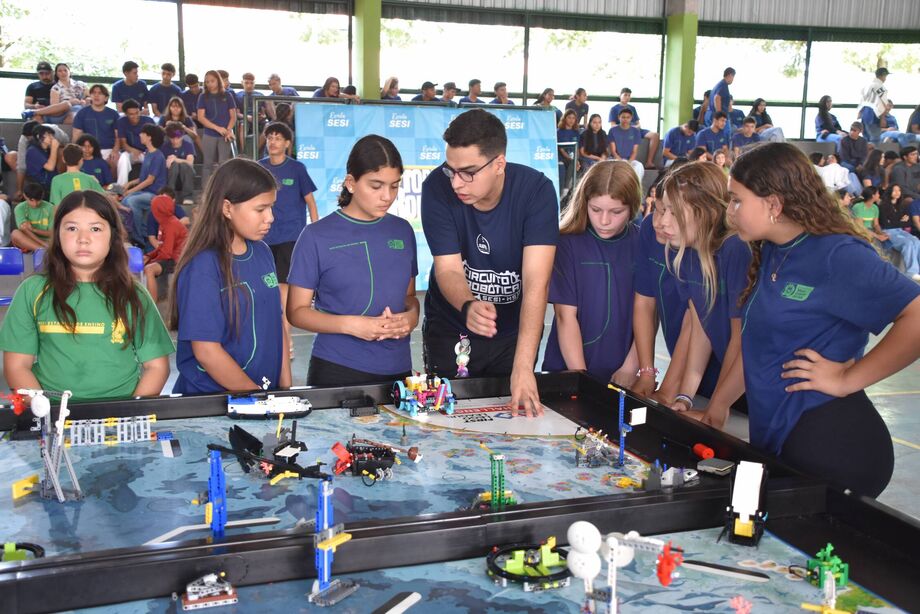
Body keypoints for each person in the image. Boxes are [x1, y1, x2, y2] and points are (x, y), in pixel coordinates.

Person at [716, 142, 920, 498]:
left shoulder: (836, 255)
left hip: (831, 445)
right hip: (781, 438)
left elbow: (915, 315)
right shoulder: (772, 250)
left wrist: (847, 378)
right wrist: (717, 406)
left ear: (774, 204)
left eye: (737, 200)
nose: (730, 211)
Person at [420, 109, 558, 417]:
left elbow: (537, 282)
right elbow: (448, 268)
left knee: (513, 421)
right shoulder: (436, 188)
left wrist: (524, 367)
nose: (456, 183)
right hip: (452, 327)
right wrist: (468, 305)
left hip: (512, 335)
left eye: (468, 172)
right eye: (450, 170)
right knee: (447, 423)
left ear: (498, 164)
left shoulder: (536, 191)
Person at [0, 190, 174, 401]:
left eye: (95, 229)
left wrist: (128, 415)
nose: (83, 239)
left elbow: (156, 366)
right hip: (51, 416)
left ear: (113, 236)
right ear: (58, 234)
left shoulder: (134, 295)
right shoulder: (32, 292)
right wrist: (46, 413)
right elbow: (18, 366)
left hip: (120, 417)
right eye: (72, 228)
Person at [287, 136, 418, 386]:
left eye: (394, 186)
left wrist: (411, 317)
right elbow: (297, 312)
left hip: (399, 369)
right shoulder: (315, 235)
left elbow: (409, 296)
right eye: (376, 185)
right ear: (351, 183)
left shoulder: (402, 231)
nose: (387, 196)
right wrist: (352, 325)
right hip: (338, 368)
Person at [169, 158, 290, 394]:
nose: (270, 218)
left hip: (264, 395)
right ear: (227, 208)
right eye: (260, 209)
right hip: (213, 402)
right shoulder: (203, 265)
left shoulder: (263, 252)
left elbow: (277, 324)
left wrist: (285, 387)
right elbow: (206, 351)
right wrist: (255, 397)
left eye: (271, 207)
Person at [655, 163, 751, 415]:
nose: (663, 221)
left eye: (675, 213)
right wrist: (685, 396)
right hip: (731, 387)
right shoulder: (685, 251)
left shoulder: (735, 250)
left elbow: (740, 340)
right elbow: (701, 327)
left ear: (706, 212)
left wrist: (717, 409)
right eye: (664, 210)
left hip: (756, 386)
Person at [542, 161, 641, 383]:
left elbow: (648, 313)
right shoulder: (567, 244)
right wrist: (582, 379)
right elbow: (564, 317)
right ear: (584, 202)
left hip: (623, 373)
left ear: (632, 207)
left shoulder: (642, 243)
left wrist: (632, 365)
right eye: (596, 210)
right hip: (568, 370)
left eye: (616, 212)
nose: (604, 221)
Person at [258, 122, 319, 356]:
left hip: (290, 240)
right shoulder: (259, 168)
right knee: (267, 293)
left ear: (287, 144)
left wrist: (315, 234)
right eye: (269, 137)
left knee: (284, 294)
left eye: (278, 138)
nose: (273, 142)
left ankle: (286, 345)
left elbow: (311, 203)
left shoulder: (297, 169)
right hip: (262, 241)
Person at [123, 125, 168, 246]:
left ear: (149, 137)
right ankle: (132, 234)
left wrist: (131, 191)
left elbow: (150, 180)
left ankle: (139, 238)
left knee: (132, 201)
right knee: (125, 200)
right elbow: (143, 178)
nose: (140, 135)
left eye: (143, 133)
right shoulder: (148, 153)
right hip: (144, 192)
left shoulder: (158, 156)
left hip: (154, 193)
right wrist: (130, 183)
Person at [197, 70, 238, 190]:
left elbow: (233, 116)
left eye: (212, 81)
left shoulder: (227, 95)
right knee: (207, 164)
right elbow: (201, 117)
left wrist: (228, 130)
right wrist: (217, 128)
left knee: (223, 163)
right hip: (210, 134)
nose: (210, 84)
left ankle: (222, 189)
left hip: (225, 134)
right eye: (207, 82)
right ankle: (205, 190)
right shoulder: (203, 96)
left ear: (218, 81)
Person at [144, 194, 189, 302]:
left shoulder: (171, 225)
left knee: (149, 269)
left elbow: (166, 253)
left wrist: (151, 261)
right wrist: (149, 256)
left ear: (158, 210)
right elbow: (162, 247)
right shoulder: (165, 222)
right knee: (145, 263)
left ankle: (152, 304)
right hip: (171, 257)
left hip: (178, 259)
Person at [874, 185, 920, 281]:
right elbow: (886, 224)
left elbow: (908, 222)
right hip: (888, 231)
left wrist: (896, 221)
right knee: (907, 244)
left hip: (900, 230)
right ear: (889, 192)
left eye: (899, 190)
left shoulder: (901, 205)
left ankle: (918, 271)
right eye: (894, 190)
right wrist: (900, 221)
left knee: (916, 241)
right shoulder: (882, 206)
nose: (897, 192)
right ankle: (911, 272)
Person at [72, 84, 120, 174]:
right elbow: (76, 137)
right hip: (88, 150)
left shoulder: (113, 114)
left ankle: (111, 187)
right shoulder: (82, 113)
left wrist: (115, 150)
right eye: (93, 93)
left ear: (106, 98)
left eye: (100, 93)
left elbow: (118, 136)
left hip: (108, 149)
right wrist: (76, 153)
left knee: (115, 161)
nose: (96, 95)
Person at [607, 87, 660, 169]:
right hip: (622, 130)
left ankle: (649, 162)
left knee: (655, 135)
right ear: (620, 95)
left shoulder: (632, 108)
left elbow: (638, 124)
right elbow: (613, 125)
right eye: (625, 95)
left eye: (629, 95)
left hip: (634, 129)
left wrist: (632, 128)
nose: (627, 97)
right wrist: (625, 126)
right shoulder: (614, 109)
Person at [115, 99, 156, 186]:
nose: (135, 116)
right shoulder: (121, 122)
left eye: (137, 112)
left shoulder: (148, 121)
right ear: (126, 114)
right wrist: (133, 151)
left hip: (147, 152)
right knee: (123, 158)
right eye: (131, 114)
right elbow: (123, 143)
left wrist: (147, 152)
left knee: (152, 162)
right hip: (130, 151)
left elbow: (155, 141)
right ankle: (120, 187)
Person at [10, 183, 54, 251]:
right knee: (15, 233)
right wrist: (43, 244)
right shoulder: (20, 208)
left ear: (42, 196)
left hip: (48, 241)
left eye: (38, 200)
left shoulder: (51, 208)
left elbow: (52, 233)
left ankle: (42, 250)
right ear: (25, 196)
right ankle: (42, 250)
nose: (35, 204)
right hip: (28, 241)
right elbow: (24, 230)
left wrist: (34, 230)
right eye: (31, 200)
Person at [161, 122, 197, 205]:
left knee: (184, 165)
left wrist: (176, 159)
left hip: (186, 176)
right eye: (172, 138)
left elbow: (190, 163)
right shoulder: (165, 147)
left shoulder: (187, 145)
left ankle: (188, 196)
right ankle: (170, 195)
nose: (175, 140)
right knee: (175, 165)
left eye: (178, 138)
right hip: (172, 177)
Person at [608, 108, 644, 181]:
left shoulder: (635, 131)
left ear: (631, 118)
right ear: (619, 118)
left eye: (628, 117)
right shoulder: (612, 131)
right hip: (615, 159)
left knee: (639, 166)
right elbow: (613, 151)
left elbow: (634, 151)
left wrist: (629, 162)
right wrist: (622, 161)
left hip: (629, 160)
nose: (625, 119)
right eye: (623, 117)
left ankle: (636, 187)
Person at [856, 67, 891, 144]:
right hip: (874, 115)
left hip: (864, 114)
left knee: (866, 139)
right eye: (885, 76)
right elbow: (884, 103)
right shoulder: (880, 87)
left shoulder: (867, 86)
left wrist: (859, 114)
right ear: (883, 75)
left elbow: (861, 102)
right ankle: (873, 155)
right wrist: (883, 118)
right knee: (875, 140)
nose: (885, 79)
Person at [25, 125, 60, 199]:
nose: (52, 138)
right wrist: (54, 148)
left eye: (52, 135)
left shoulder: (46, 150)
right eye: (48, 135)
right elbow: (50, 167)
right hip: (40, 188)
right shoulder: (33, 150)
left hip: (50, 184)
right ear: (39, 137)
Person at [557, 110, 580, 195]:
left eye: (573, 118)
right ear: (565, 118)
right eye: (569, 118)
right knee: (572, 163)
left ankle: (566, 189)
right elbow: (561, 149)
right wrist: (571, 159)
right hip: (563, 158)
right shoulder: (559, 132)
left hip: (572, 158)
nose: (571, 120)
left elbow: (577, 148)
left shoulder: (576, 132)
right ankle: (565, 189)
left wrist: (577, 160)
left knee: (574, 164)